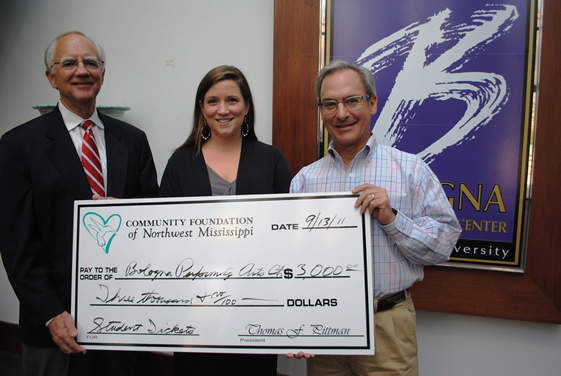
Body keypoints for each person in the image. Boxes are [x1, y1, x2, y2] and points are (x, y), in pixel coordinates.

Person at [288, 60, 461, 375]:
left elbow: (443, 247)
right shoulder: (304, 181)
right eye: (330, 104)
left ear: (372, 103)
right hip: (326, 325)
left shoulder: (411, 170)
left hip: (387, 324)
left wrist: (392, 218)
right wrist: (297, 325)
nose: (341, 114)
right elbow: (291, 261)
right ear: (321, 110)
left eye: (352, 100)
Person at [0, 31, 159, 376]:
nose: (82, 70)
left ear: (103, 72)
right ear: (51, 77)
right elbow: (16, 244)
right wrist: (49, 312)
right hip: (56, 324)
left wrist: (129, 217)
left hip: (125, 315)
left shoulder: (132, 140)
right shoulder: (18, 145)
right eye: (69, 63)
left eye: (91, 62)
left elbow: (153, 221)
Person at [159, 65, 292, 375]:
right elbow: (162, 237)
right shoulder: (180, 162)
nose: (223, 110)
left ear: (246, 106)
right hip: (196, 313)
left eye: (232, 100)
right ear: (201, 109)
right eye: (212, 101)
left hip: (257, 307)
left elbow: (289, 237)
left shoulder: (271, 159)